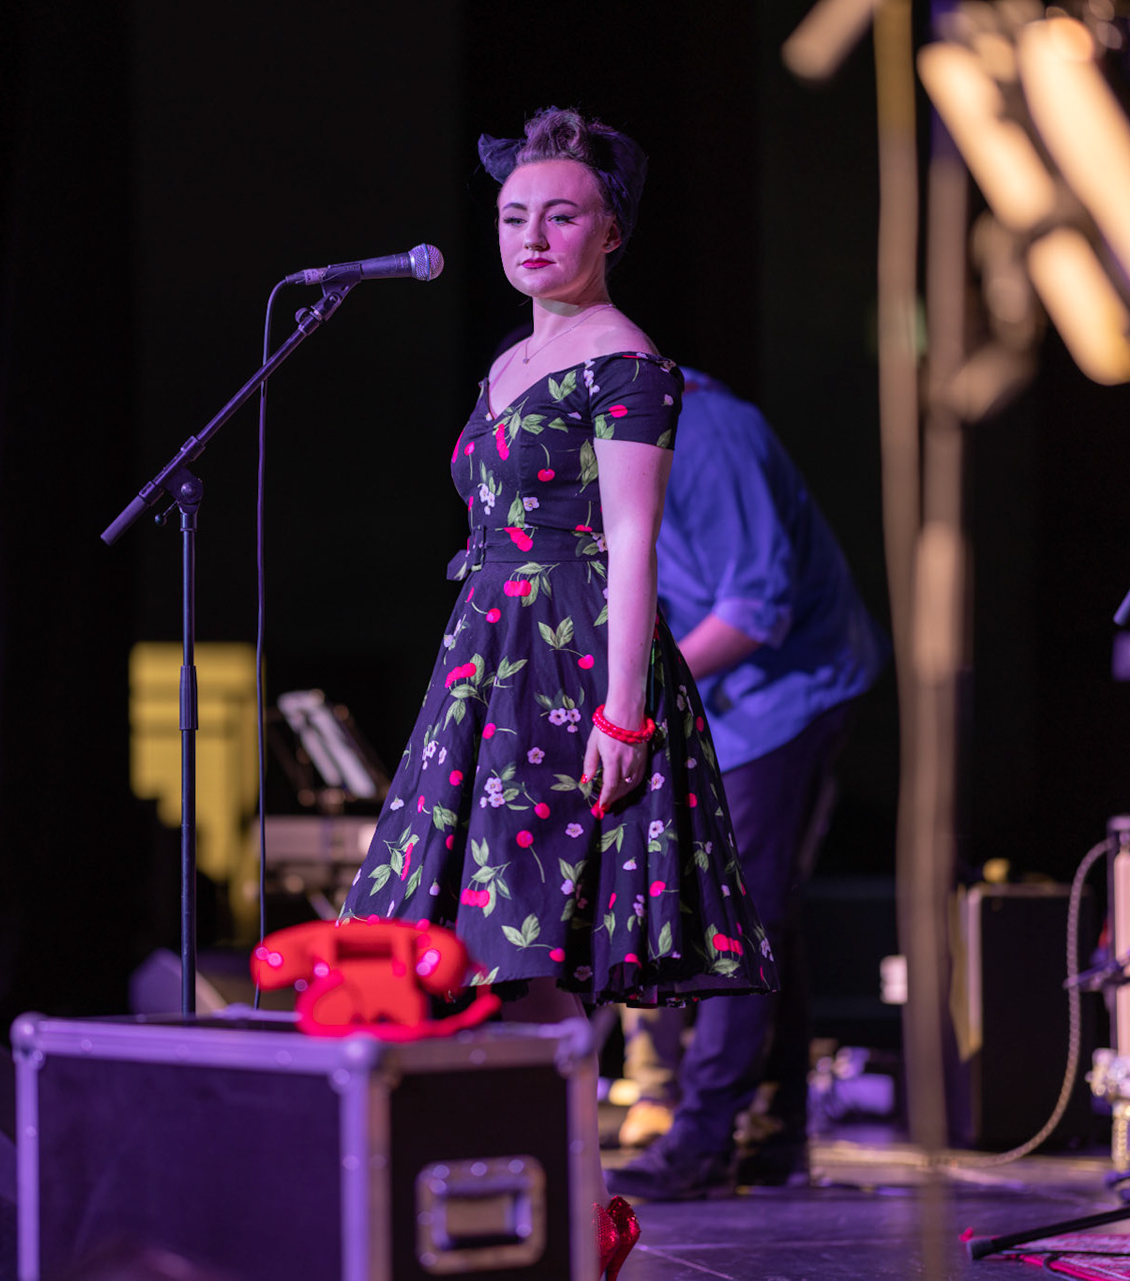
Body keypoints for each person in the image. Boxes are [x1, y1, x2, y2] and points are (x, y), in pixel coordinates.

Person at [336, 107, 775, 1281]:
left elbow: (631, 543)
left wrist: (623, 712)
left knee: (532, 939)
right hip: (488, 653)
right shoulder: (508, 361)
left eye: (561, 213)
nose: (533, 233)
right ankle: (533, 1206)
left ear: (610, 230)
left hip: (572, 662)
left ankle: (560, 1215)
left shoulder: (625, 360)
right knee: (459, 945)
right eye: (514, 215)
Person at [604, 375, 884, 1197]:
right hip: (715, 696)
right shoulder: (599, 442)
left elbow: (756, 608)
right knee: (764, 911)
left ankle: (699, 1143)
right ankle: (775, 1130)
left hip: (787, 694)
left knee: (742, 909)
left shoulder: (708, 431)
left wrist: (639, 690)